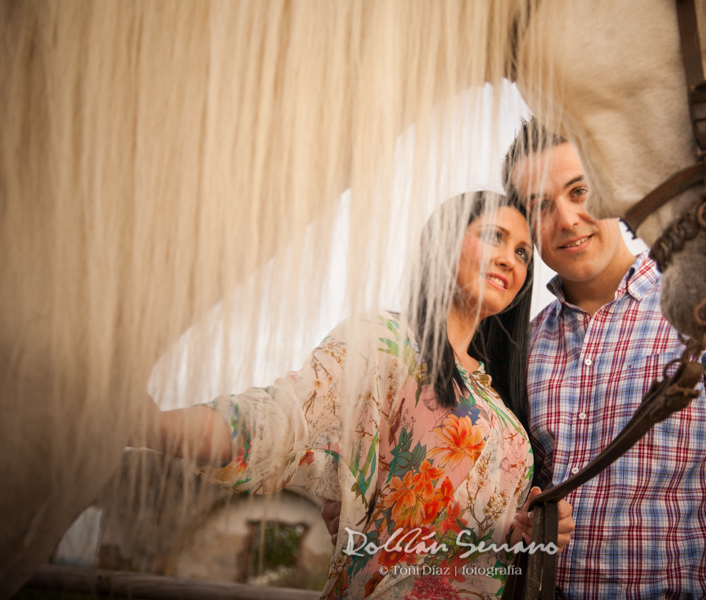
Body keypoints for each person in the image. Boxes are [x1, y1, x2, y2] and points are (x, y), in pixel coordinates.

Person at [140, 191, 574, 599]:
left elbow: (489, 536)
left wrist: (526, 527)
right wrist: (155, 427)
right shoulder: (386, 341)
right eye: (494, 236)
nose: (510, 259)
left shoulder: (499, 395)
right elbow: (284, 418)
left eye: (521, 252)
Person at [504, 120, 706, 600]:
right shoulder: (523, 348)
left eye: (580, 191)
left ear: (616, 191)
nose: (567, 220)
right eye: (540, 206)